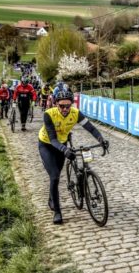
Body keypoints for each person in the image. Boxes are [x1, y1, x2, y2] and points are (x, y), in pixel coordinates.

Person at [38, 89, 109, 225]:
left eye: (68, 106)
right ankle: (57, 212)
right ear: (56, 104)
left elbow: (91, 128)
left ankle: (51, 198)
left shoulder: (75, 114)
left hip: (62, 143)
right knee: (54, 177)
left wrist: (101, 139)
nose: (65, 109)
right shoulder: (49, 114)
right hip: (47, 144)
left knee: (57, 173)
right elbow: (53, 139)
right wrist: (65, 150)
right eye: (62, 106)